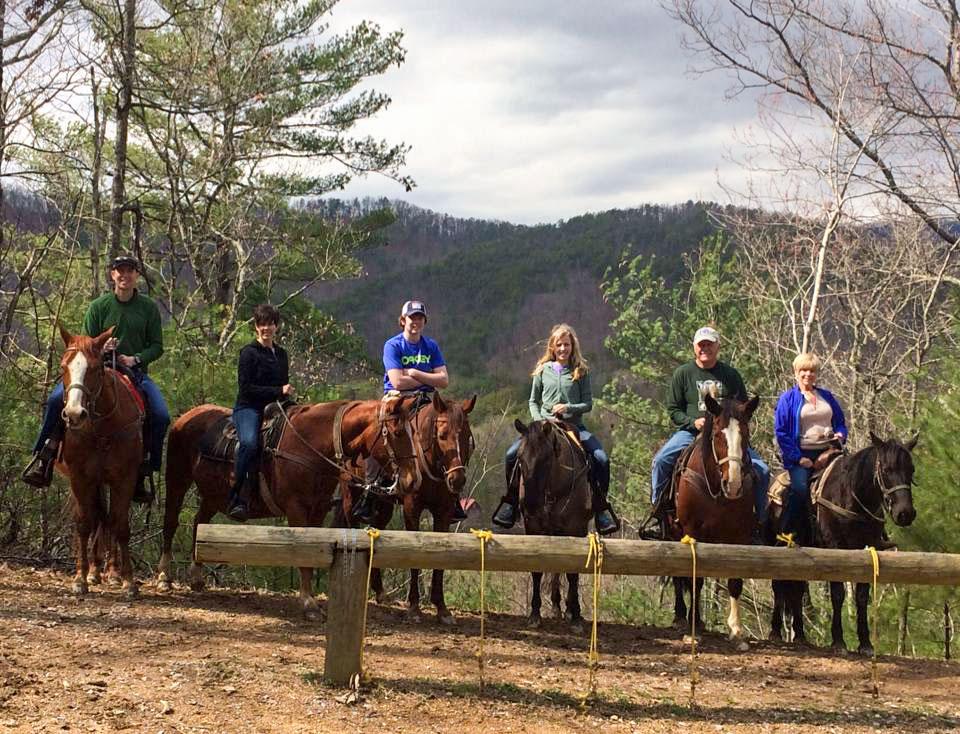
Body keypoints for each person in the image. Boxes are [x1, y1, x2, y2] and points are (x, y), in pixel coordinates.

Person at [22, 255, 169, 503]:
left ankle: (145, 467)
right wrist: (100, 347)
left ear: (136, 276)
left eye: (130, 271)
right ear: (112, 275)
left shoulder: (148, 308)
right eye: (119, 271)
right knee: (57, 398)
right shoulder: (98, 306)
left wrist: (135, 359)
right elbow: (84, 345)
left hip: (134, 372)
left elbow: (157, 346)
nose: (124, 276)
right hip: (95, 370)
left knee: (161, 414)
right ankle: (44, 455)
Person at [492, 323, 620, 535]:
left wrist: (569, 408)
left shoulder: (581, 370)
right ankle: (511, 502)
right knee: (511, 454)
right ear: (552, 346)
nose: (563, 349)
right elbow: (533, 401)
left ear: (573, 346)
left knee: (601, 458)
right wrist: (539, 420)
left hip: (574, 426)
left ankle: (600, 508)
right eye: (559, 345)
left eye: (566, 344)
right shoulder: (542, 370)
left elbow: (588, 403)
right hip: (543, 427)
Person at [648, 326, 770, 538]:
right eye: (701, 345)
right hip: (690, 432)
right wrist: (691, 422)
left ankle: (760, 521)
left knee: (763, 470)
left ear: (717, 347)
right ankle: (658, 514)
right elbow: (674, 409)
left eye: (709, 344)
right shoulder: (683, 374)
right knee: (661, 461)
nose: (705, 348)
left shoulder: (730, 375)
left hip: (726, 433)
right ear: (695, 348)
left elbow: (742, 407)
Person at [352, 299, 466, 523]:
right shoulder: (393, 345)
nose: (415, 322)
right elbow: (397, 381)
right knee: (379, 429)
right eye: (411, 318)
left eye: (419, 318)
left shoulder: (431, 346)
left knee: (451, 427)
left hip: (426, 399)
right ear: (403, 320)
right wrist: (425, 378)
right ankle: (370, 489)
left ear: (424, 321)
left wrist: (414, 373)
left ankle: (453, 494)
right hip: (397, 398)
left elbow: (444, 380)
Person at [226, 304, 293, 522]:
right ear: (256, 327)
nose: (267, 328)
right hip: (249, 407)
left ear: (276, 326)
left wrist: (288, 397)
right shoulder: (248, 353)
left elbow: (282, 385)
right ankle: (238, 495)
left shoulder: (282, 354)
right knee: (249, 444)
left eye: (270, 324)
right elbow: (246, 388)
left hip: (276, 407)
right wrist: (278, 390)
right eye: (262, 324)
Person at [773, 352, 847, 544]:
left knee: (853, 478)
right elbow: (781, 432)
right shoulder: (788, 399)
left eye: (812, 370)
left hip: (830, 451)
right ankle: (787, 532)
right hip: (801, 453)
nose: (808, 374)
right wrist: (798, 458)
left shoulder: (827, 396)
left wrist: (840, 435)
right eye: (803, 370)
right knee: (799, 488)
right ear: (796, 373)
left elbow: (840, 422)